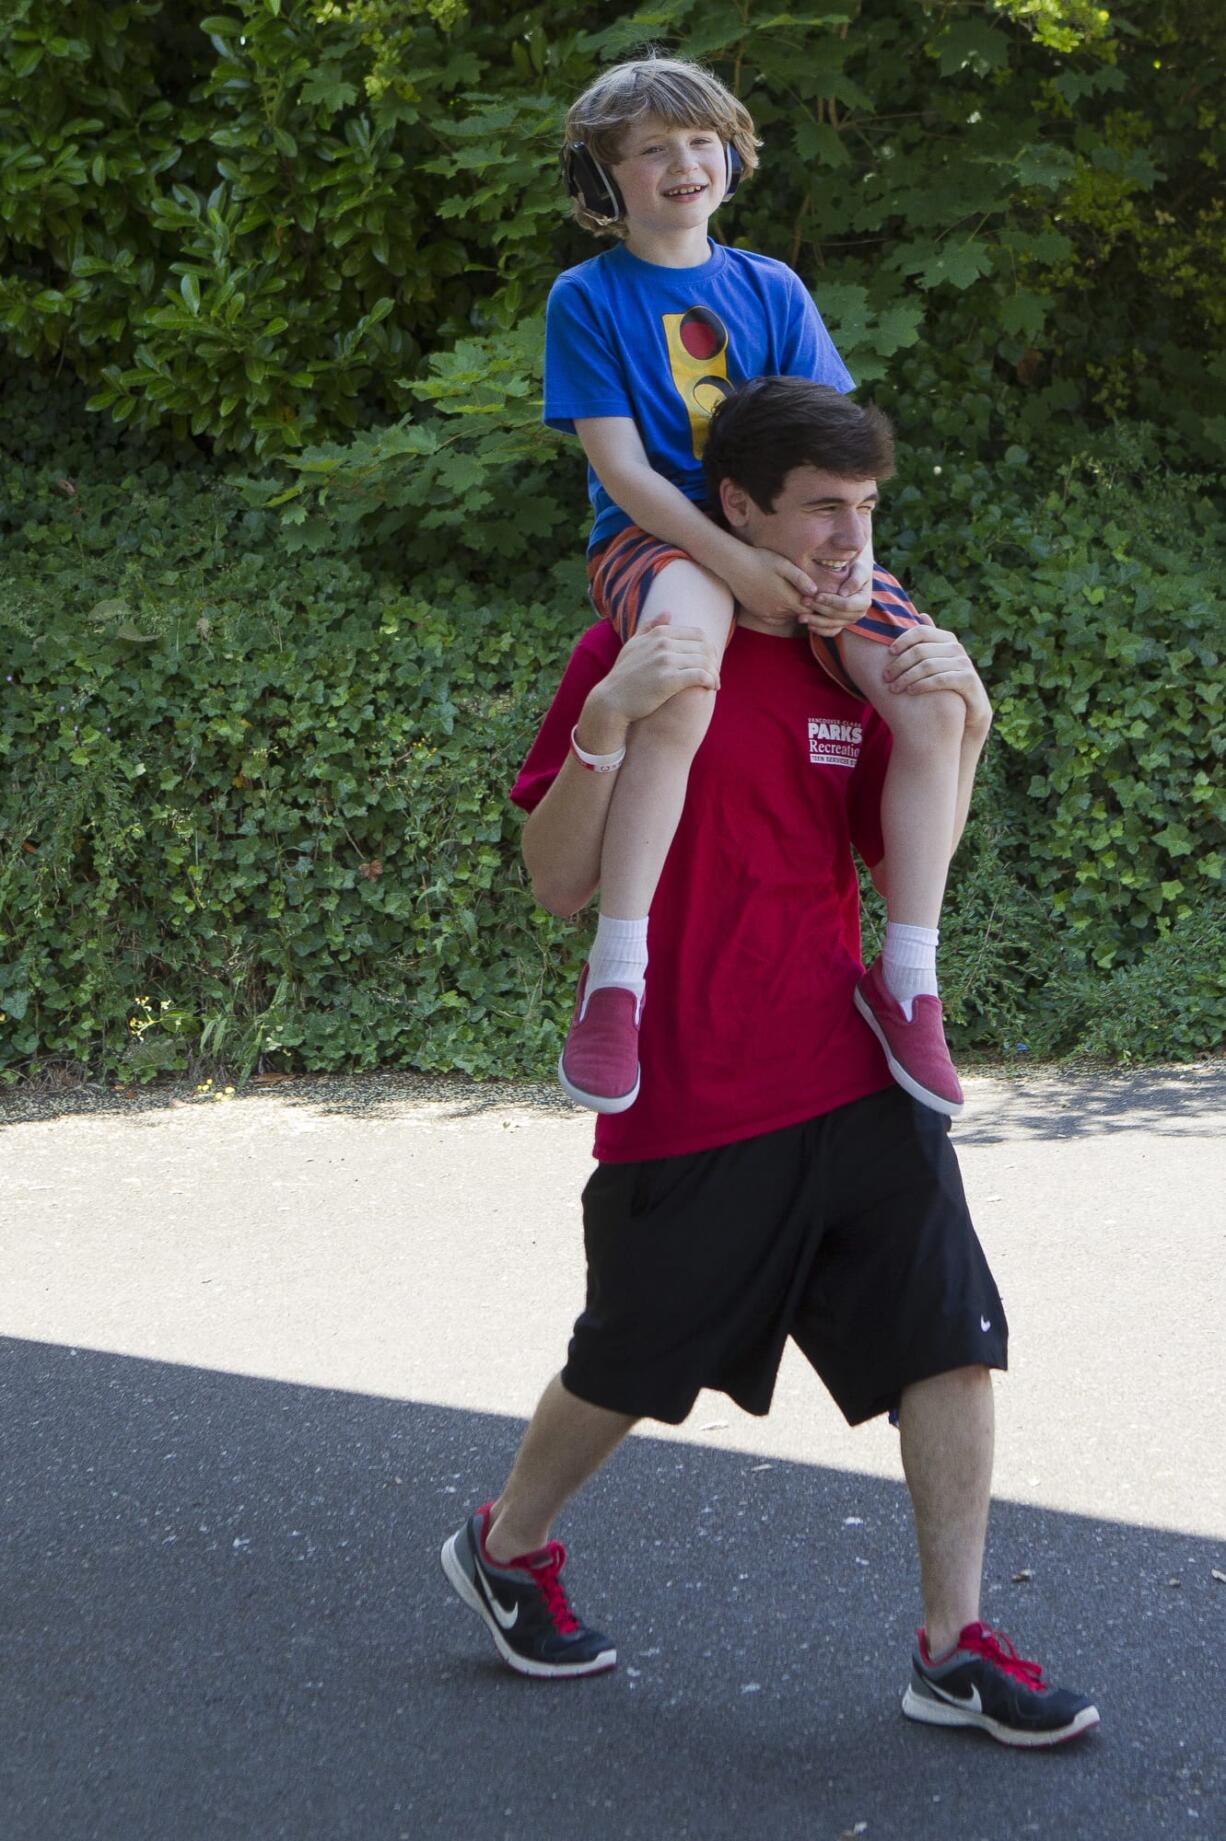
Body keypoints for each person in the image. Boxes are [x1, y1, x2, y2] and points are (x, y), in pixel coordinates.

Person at [440, 379, 1100, 1748]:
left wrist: (959, 721)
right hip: (685, 1092)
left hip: (853, 1068)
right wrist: (606, 722)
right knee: (624, 1364)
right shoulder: (639, 643)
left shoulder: (852, 663)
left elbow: (899, 853)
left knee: (950, 1340)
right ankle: (507, 1544)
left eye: (863, 511)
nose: (846, 543)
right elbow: (556, 882)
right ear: (735, 508)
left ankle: (950, 1643)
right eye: (818, 512)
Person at [547, 54, 964, 1120]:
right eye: (650, 149)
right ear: (606, 180)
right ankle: (617, 979)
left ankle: (908, 976)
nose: (682, 163)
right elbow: (625, 473)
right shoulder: (586, 297)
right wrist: (735, 564)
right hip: (658, 538)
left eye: (700, 142)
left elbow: (834, 457)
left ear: (730, 155)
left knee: (933, 694)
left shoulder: (770, 287)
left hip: (788, 534)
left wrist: (849, 564)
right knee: (682, 671)